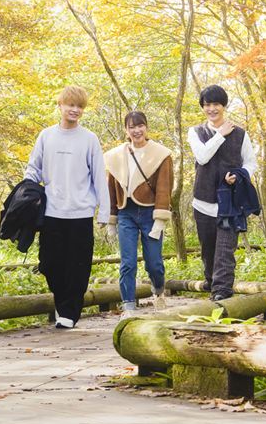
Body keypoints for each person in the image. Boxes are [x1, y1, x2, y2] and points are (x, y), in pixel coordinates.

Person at [23, 85, 110, 329]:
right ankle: (63, 305)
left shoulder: (89, 139)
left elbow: (99, 178)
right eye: (70, 105)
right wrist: (27, 193)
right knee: (49, 263)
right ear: (60, 106)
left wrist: (104, 212)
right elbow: (33, 169)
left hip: (81, 212)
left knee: (78, 266)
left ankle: (69, 313)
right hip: (52, 211)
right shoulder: (46, 136)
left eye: (79, 106)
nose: (75, 110)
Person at [187, 84, 257, 302]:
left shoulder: (240, 134)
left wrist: (240, 174)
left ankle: (221, 293)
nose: (211, 109)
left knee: (225, 251)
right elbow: (202, 157)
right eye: (207, 105)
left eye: (216, 104)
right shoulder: (196, 132)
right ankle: (212, 282)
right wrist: (220, 134)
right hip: (203, 202)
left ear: (224, 106)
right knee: (209, 251)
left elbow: (251, 162)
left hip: (231, 203)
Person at [104, 111, 173, 315]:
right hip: (127, 212)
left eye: (140, 125)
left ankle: (158, 290)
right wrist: (111, 219)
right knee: (128, 262)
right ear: (126, 130)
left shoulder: (161, 154)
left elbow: (164, 187)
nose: (136, 130)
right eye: (132, 127)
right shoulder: (116, 156)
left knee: (154, 263)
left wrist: (160, 220)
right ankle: (128, 305)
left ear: (146, 127)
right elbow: (111, 187)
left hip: (151, 212)